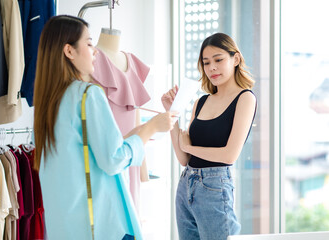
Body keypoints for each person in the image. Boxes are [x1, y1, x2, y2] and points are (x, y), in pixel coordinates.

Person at [33, 15, 176, 240]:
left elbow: (85, 154)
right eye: (89, 44)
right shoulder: (88, 95)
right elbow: (112, 160)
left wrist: (135, 135)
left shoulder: (47, 104)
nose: (95, 51)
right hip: (99, 226)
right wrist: (151, 128)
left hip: (64, 229)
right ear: (69, 51)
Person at [161, 32, 257, 240]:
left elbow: (229, 155)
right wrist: (172, 115)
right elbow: (183, 158)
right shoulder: (202, 102)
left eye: (218, 60)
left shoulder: (245, 98)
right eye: (206, 62)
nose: (211, 67)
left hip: (215, 186)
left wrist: (189, 147)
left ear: (236, 59)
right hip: (186, 184)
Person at [92, 26, 151, 213]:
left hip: (132, 154)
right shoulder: (91, 62)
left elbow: (137, 120)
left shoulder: (132, 61)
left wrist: (143, 170)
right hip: (105, 157)